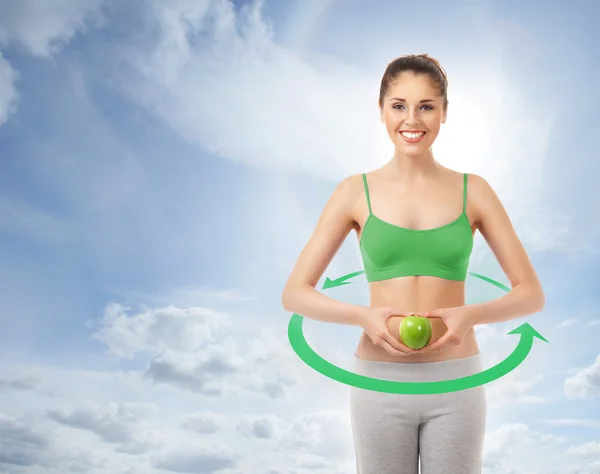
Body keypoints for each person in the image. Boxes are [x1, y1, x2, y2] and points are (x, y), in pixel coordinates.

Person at [281, 53, 545, 474]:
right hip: (378, 382)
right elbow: (294, 293)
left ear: (444, 113)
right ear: (382, 111)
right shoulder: (354, 191)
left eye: (426, 106)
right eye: (399, 105)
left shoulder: (474, 190)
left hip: (456, 381)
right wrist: (362, 316)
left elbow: (531, 294)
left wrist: (471, 314)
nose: (412, 120)